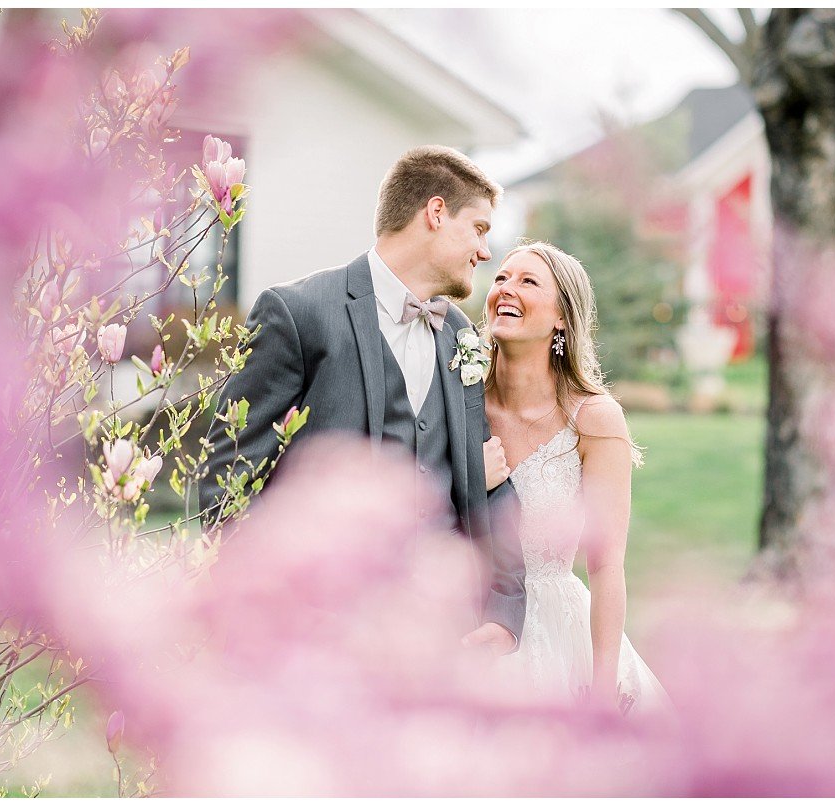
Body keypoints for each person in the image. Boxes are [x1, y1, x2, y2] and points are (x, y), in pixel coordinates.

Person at [199, 145, 526, 654]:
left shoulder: (459, 333)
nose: (486, 252)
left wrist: (504, 611)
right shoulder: (300, 312)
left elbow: (491, 480)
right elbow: (227, 476)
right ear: (435, 213)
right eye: (479, 229)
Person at [481, 240, 669, 713]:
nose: (506, 289)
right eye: (501, 277)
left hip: (560, 643)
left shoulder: (594, 419)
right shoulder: (458, 403)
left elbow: (606, 566)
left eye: (528, 281)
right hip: (473, 629)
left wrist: (602, 687)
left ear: (562, 317)